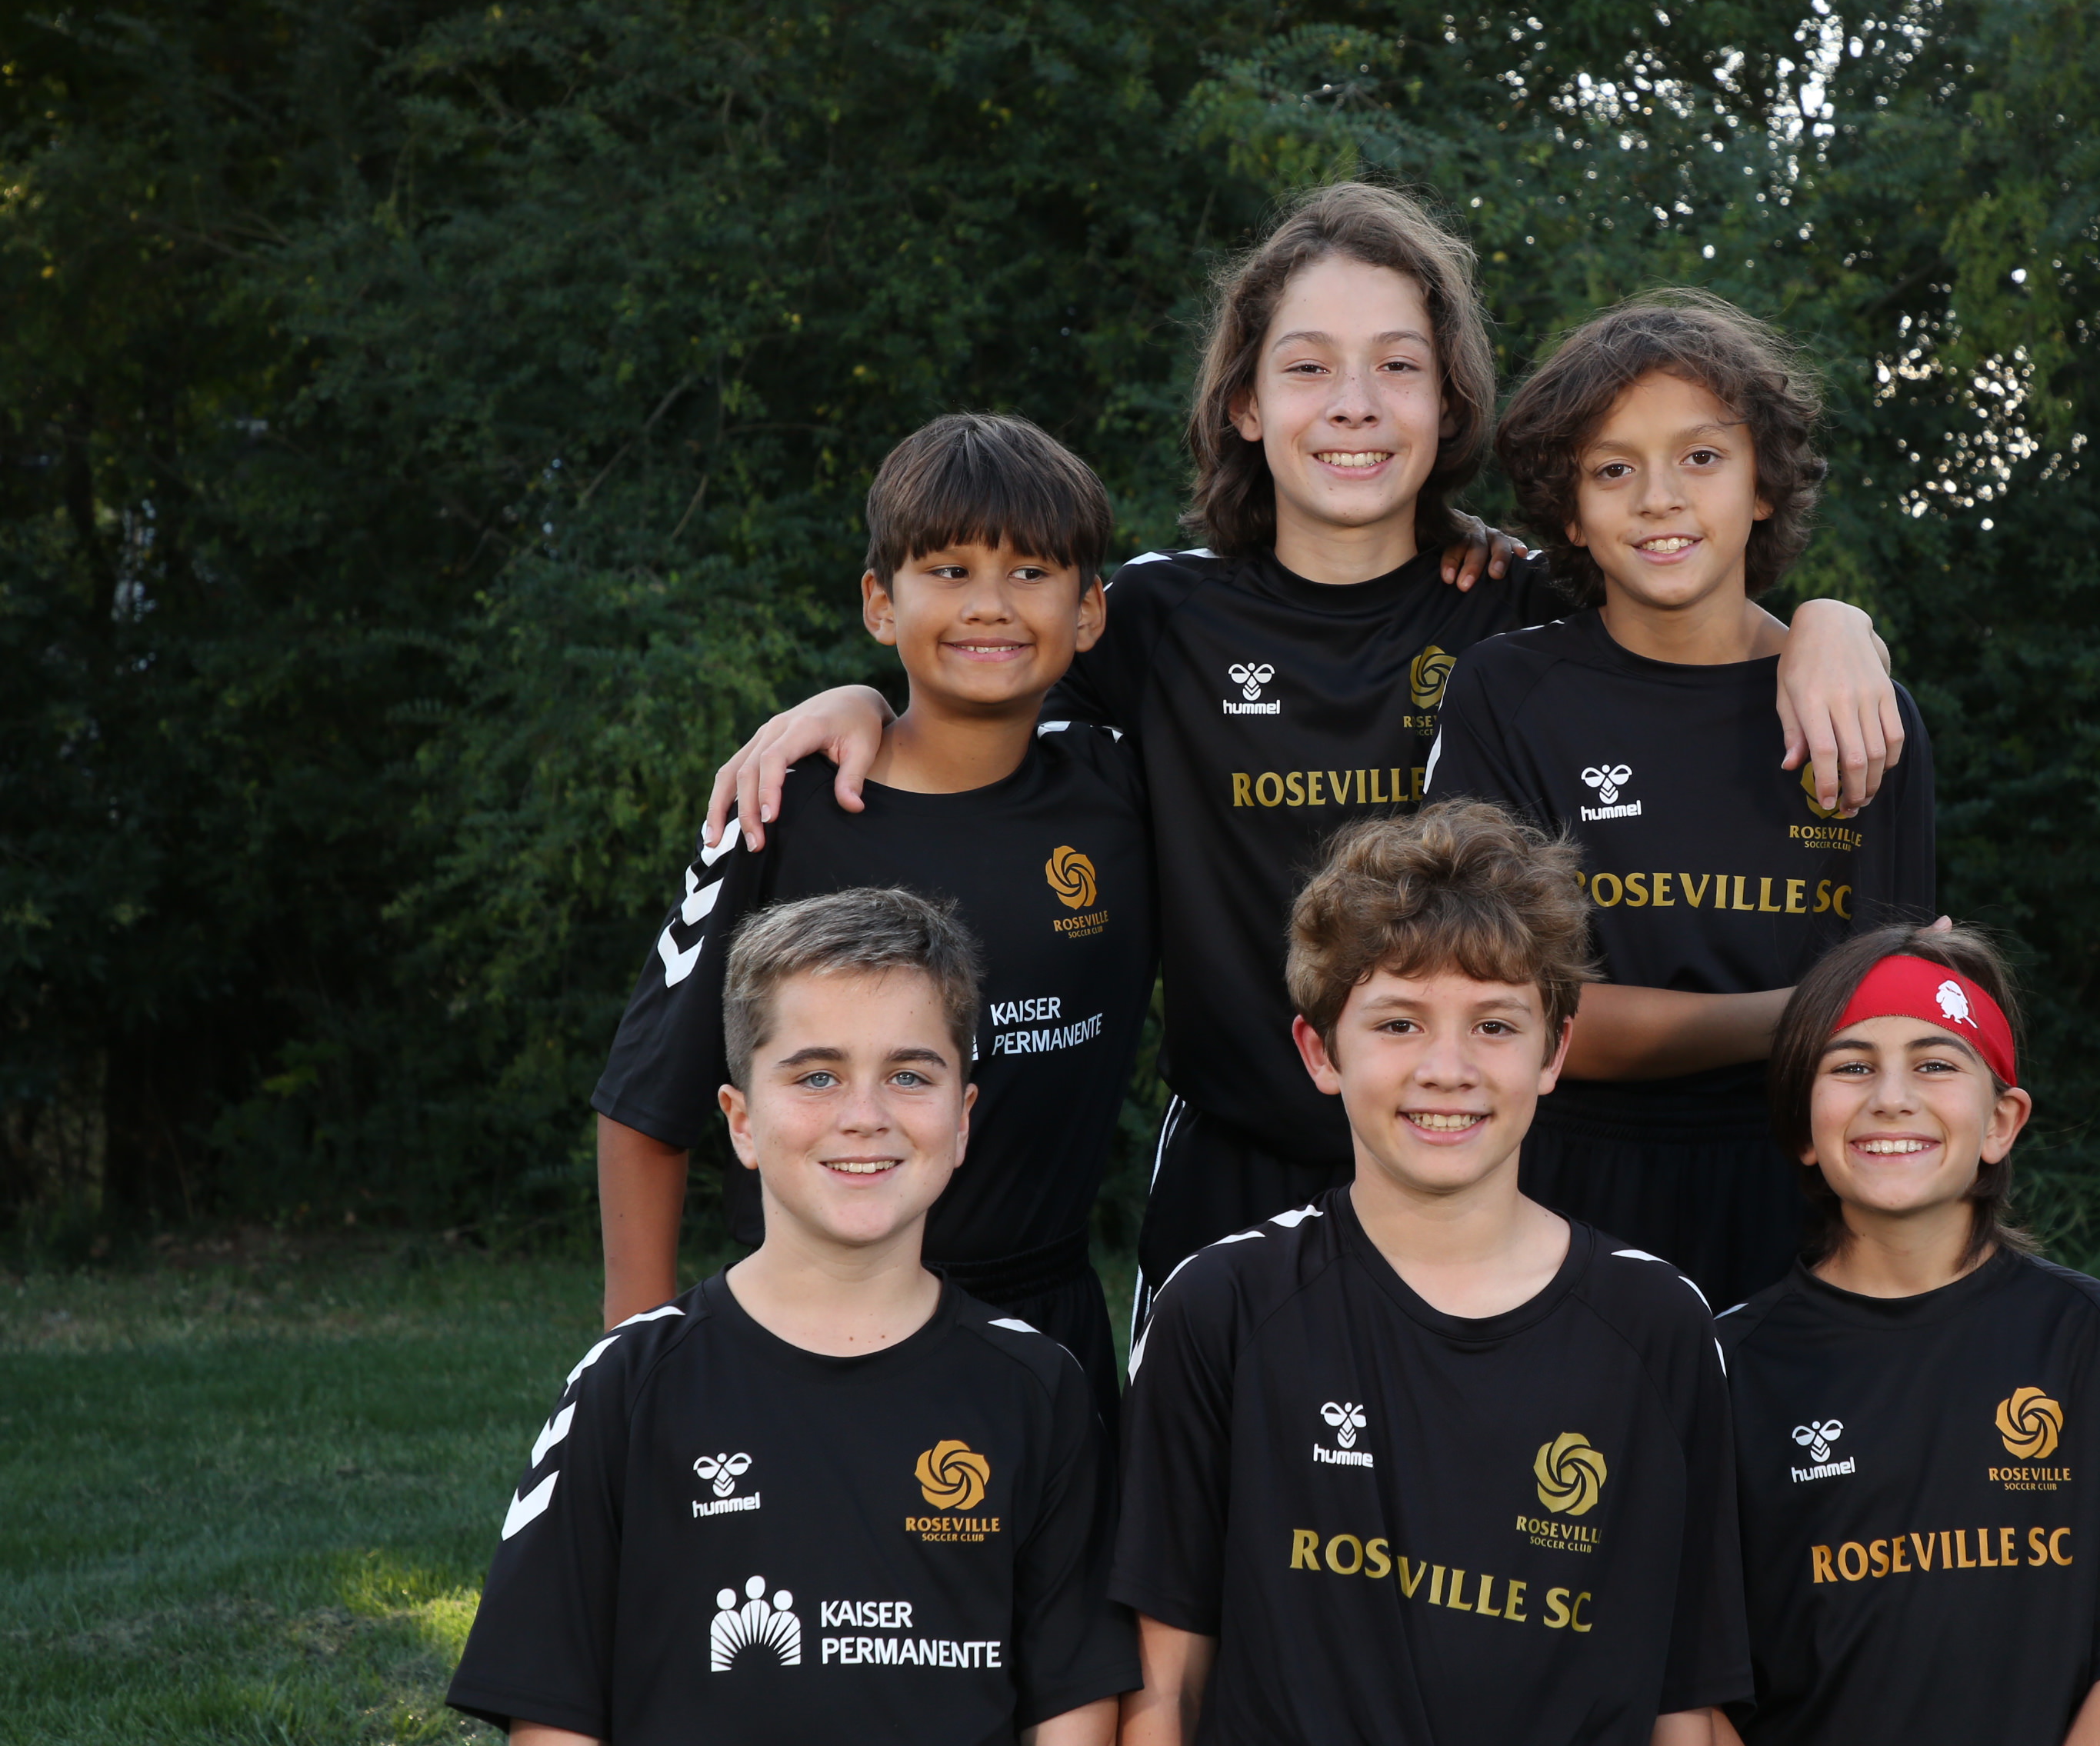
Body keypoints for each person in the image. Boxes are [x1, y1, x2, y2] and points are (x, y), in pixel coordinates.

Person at [700, 184, 1905, 1350]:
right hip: (1235, 1172)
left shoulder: (1518, 613)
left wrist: (1830, 626)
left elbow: (1693, 622)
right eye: (1309, 367)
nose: (1354, 405)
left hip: (1480, 1166)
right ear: (1244, 403)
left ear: (1449, 403)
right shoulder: (1157, 621)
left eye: (1398, 366)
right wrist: (855, 699)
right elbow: (978, 672)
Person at [1111, 801, 1747, 1745]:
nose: (1447, 1069)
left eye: (1494, 1025)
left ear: (1554, 1052)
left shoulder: (1659, 1324)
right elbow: (1166, 1691)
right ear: (1321, 1051)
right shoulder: (1221, 1307)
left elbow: (1683, 1698)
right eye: (1400, 1023)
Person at [448, 888, 1135, 1746]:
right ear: (741, 1121)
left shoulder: (1039, 1389)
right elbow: (551, 1715)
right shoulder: (626, 1384)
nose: (864, 1116)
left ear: (963, 1120)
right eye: (817, 1076)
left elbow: (1074, 1710)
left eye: (909, 1075)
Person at [592, 412, 1154, 1421]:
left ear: (1089, 612)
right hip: (811, 1324)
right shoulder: (782, 808)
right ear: (880, 604)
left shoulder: (1125, 791)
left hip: (1045, 1326)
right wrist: (633, 1361)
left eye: (1031, 572)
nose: (990, 605)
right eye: (948, 570)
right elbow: (646, 1100)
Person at [1426, 292, 1936, 1309]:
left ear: (1763, 485)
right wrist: (1801, 1015)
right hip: (1562, 1192)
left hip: (1804, 1191)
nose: (1660, 497)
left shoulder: (1861, 711)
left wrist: (1835, 620)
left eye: (1701, 457)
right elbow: (1503, 1015)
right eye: (1614, 469)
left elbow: (1897, 1024)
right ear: (1571, 512)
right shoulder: (1509, 694)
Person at [1714, 925, 2100, 1746]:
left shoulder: (2091, 1339)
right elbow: (1696, 1681)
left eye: (1935, 1064)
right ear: (1802, 1126)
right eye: (1852, 1067)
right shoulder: (1728, 1364)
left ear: (2001, 1122)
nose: (1891, 1097)